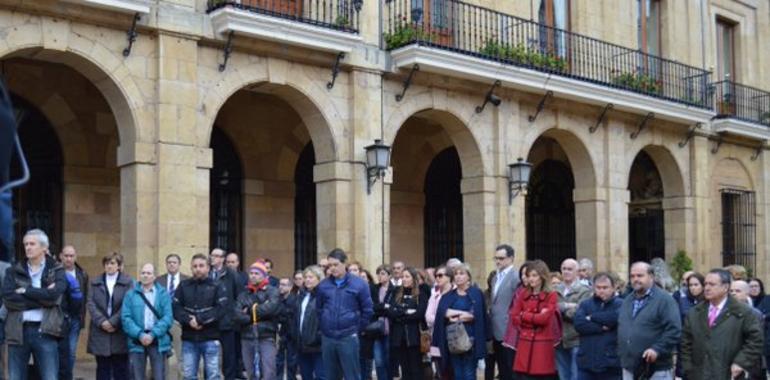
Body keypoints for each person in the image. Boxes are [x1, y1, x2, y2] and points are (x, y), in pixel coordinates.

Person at [1, 229, 67, 380]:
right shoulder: (13, 271)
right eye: (26, 244)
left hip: (46, 330)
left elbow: (54, 297)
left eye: (32, 244)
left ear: (44, 247)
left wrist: (25, 291)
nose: (28, 247)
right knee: (15, 377)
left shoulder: (56, 270)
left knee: (49, 376)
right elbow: (8, 299)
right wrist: (43, 297)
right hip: (18, 330)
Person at [681, 269, 763, 379]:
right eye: (705, 284)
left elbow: (755, 341)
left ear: (725, 287)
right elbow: (686, 342)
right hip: (699, 374)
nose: (707, 288)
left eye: (712, 284)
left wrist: (740, 362)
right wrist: (688, 369)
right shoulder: (694, 312)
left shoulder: (743, 312)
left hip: (729, 374)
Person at [316, 248, 374, 380]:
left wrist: (356, 329)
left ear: (344, 264)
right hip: (328, 337)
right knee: (331, 376)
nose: (332, 268)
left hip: (348, 337)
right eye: (330, 265)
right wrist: (324, 327)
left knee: (352, 376)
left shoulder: (359, 284)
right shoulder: (323, 285)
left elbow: (368, 310)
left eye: (335, 264)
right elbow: (319, 310)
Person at [617, 262, 681, 380]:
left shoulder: (664, 300)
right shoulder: (627, 300)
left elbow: (674, 330)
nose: (635, 279)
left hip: (655, 369)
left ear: (651, 277)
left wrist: (657, 349)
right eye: (632, 276)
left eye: (640, 276)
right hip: (629, 367)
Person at [174, 253, 228, 380]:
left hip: (211, 337)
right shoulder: (183, 285)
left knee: (213, 376)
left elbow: (221, 309)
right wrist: (188, 320)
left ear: (208, 268)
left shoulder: (217, 285)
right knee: (188, 375)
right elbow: (176, 308)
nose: (198, 269)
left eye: (201, 266)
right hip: (189, 338)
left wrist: (199, 320)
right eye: (195, 266)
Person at [433, 263, 487, 380]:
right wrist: (462, 315)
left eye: (461, 274)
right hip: (453, 341)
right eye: (456, 274)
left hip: (471, 340)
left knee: (469, 374)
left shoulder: (476, 293)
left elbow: (475, 315)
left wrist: (454, 315)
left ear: (468, 277)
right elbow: (443, 312)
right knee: (457, 374)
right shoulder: (448, 295)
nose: (458, 276)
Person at [122, 263, 174, 380]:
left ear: (154, 276)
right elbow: (126, 318)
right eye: (143, 273)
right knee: (136, 376)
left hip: (158, 339)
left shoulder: (163, 294)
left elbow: (167, 317)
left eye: (149, 273)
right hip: (136, 339)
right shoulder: (130, 294)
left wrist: (152, 334)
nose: (145, 275)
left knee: (159, 376)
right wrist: (139, 334)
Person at [509, 259, 559, 379]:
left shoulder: (551, 295)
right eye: (528, 275)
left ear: (542, 276)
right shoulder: (523, 294)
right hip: (524, 342)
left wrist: (524, 315)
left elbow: (544, 319)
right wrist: (534, 317)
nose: (531, 279)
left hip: (542, 345)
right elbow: (514, 316)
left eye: (534, 275)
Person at [87, 251, 133, 380]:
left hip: (119, 330)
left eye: (112, 263)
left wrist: (113, 322)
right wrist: (102, 322)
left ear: (119, 265)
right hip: (100, 330)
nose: (109, 266)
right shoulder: (95, 282)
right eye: (107, 263)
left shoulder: (128, 282)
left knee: (121, 368)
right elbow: (90, 303)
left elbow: (127, 305)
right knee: (102, 368)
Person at [233, 261, 281, 380]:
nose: (253, 276)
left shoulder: (272, 291)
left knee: (268, 371)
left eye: (257, 273)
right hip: (247, 336)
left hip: (266, 336)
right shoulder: (243, 294)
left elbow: (271, 309)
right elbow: (237, 314)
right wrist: (254, 316)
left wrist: (249, 310)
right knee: (250, 372)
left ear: (264, 275)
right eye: (251, 273)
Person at [573, 272, 622, 380]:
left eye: (605, 287)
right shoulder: (585, 304)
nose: (601, 290)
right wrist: (600, 328)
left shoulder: (620, 304)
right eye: (598, 287)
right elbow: (579, 324)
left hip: (610, 363)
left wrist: (591, 317)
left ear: (613, 288)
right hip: (586, 362)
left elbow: (614, 318)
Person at [384, 267, 428, 380]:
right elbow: (390, 311)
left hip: (414, 338)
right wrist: (406, 312)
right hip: (399, 338)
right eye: (403, 276)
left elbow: (419, 314)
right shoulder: (397, 293)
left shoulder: (420, 294)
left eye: (407, 276)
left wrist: (400, 313)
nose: (404, 279)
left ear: (413, 279)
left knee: (416, 369)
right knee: (404, 369)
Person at [210, 248, 244, 380]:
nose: (213, 258)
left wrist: (233, 315)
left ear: (222, 259)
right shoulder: (207, 273)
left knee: (229, 355)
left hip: (227, 321)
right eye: (212, 255)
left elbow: (239, 296)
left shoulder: (231, 274)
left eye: (216, 256)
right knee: (211, 355)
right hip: (210, 321)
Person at [555, 258, 592, 380]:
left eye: (570, 269)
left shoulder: (585, 291)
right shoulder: (554, 290)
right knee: (563, 376)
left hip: (576, 339)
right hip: (559, 339)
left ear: (577, 272)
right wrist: (567, 306)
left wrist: (560, 308)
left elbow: (580, 314)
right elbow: (550, 309)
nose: (566, 272)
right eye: (564, 269)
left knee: (576, 376)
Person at [488, 244, 519, 380]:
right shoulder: (495, 277)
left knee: (509, 368)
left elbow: (516, 303)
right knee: (501, 368)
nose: (498, 261)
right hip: (496, 330)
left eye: (501, 258)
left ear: (511, 258)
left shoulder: (516, 277)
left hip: (509, 330)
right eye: (496, 258)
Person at [156, 253, 190, 379]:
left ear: (179, 264)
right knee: (162, 353)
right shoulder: (158, 280)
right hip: (162, 321)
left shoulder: (187, 280)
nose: (171, 264)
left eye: (174, 262)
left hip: (179, 322)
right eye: (169, 262)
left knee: (181, 354)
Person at [58, 245, 88, 380]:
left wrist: (82, 317)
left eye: (71, 256)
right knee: (58, 352)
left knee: (71, 352)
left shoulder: (82, 274)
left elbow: (85, 297)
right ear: (61, 257)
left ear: (75, 257)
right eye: (66, 256)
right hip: (58, 318)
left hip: (75, 318)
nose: (69, 259)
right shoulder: (55, 272)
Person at [296, 265, 325, 380]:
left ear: (319, 279)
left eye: (311, 277)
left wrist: (318, 337)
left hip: (318, 345)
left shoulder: (323, 295)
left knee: (321, 376)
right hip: (302, 344)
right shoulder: (301, 295)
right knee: (305, 376)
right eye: (306, 277)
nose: (307, 279)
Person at [673, 272, 704, 379]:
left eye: (696, 285)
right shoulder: (682, 300)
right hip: (685, 342)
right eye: (690, 285)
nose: (693, 288)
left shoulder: (709, 301)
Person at [426, 265, 452, 380]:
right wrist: (441, 317)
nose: (437, 278)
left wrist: (438, 317)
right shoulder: (435, 295)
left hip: (451, 337)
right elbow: (428, 317)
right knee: (440, 369)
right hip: (436, 336)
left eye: (440, 275)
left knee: (451, 369)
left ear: (449, 277)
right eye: (436, 275)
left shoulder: (454, 294)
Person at [371, 265, 393, 380]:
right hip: (376, 329)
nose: (380, 276)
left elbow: (394, 308)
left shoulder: (395, 290)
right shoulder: (374, 288)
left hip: (390, 329)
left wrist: (380, 308)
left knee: (389, 359)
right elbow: (372, 306)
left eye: (383, 273)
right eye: (378, 273)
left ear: (389, 275)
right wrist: (384, 306)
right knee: (378, 361)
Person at [276, 277, 298, 380]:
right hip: (280, 333)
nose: (281, 287)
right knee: (278, 360)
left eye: (284, 285)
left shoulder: (294, 300)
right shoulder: (276, 299)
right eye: (280, 284)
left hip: (291, 334)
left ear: (290, 286)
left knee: (291, 362)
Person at [751, 278, 770, 376]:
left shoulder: (767, 299)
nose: (754, 289)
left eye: (756, 286)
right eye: (751, 286)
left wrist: (765, 316)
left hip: (766, 336)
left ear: (760, 287)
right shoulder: (746, 301)